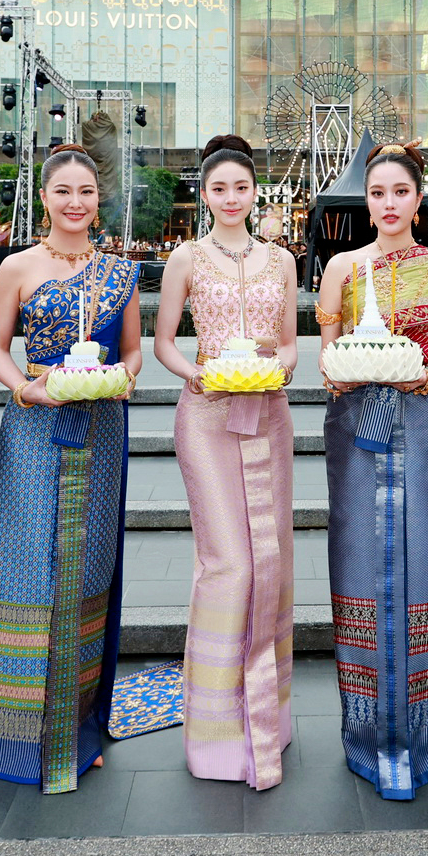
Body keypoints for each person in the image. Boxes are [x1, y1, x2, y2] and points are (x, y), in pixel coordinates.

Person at [315, 141, 428, 800]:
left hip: (421, 432)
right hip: (355, 435)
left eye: (399, 192)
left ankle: (421, 742)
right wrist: (348, 374)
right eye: (377, 193)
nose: (388, 204)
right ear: (365, 202)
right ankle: (365, 739)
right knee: (359, 566)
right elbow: (328, 359)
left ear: (418, 199)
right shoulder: (341, 268)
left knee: (422, 568)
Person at [0, 143, 141, 792]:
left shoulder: (119, 272)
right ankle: (16, 737)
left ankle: (77, 729)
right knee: (28, 568)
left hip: (100, 425)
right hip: (35, 425)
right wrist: (27, 388)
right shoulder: (17, 266)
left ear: (99, 200)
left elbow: (131, 353)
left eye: (87, 192)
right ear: (43, 198)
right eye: (64, 191)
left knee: (86, 568)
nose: (76, 203)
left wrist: (119, 379)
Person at [153, 134, 298, 790]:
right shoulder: (186, 257)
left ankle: (266, 710)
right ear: (204, 194)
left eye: (242, 187)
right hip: (207, 414)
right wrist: (199, 375)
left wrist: (273, 371)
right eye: (220, 188)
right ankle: (214, 730)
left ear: (253, 192)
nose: (231, 198)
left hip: (267, 413)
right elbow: (163, 344)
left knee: (270, 558)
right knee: (228, 563)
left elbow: (293, 346)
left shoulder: (281, 260)